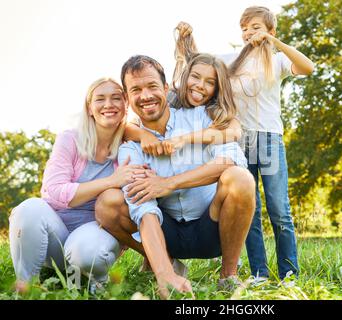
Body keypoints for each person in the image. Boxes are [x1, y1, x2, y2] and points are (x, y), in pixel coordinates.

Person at [95, 55, 256, 299]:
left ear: (166, 88)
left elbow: (232, 160)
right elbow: (143, 207)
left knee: (241, 178)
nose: (146, 95)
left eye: (152, 86)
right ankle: (167, 264)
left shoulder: (201, 118)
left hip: (211, 227)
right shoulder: (131, 147)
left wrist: (168, 184)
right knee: (108, 202)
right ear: (127, 99)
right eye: (136, 90)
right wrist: (163, 274)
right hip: (164, 233)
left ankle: (228, 275)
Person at [176, 6, 314, 281]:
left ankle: (290, 274)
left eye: (255, 27)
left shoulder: (277, 61)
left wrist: (273, 43)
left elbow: (308, 67)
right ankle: (259, 273)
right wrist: (186, 38)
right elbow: (198, 63)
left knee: (279, 209)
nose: (248, 33)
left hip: (269, 140)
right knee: (249, 208)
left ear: (270, 31)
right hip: (240, 141)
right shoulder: (230, 59)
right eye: (245, 28)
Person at [9, 78, 146, 293]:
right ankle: (25, 288)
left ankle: (91, 285)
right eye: (100, 99)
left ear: (125, 106)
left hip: (96, 232)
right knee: (28, 210)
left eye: (116, 98)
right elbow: (54, 191)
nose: (108, 104)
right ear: (90, 108)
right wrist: (111, 182)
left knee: (85, 252)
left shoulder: (130, 148)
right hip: (56, 231)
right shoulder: (70, 139)